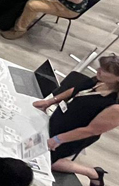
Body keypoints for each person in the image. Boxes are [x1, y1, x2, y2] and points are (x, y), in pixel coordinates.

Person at [33, 54, 119, 185]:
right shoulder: (99, 80)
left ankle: (93, 173)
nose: (98, 70)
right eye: (100, 67)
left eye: (105, 70)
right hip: (61, 120)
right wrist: (51, 101)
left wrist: (58, 139)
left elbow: (90, 131)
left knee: (45, 160)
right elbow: (76, 90)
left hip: (74, 135)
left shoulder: (115, 106)